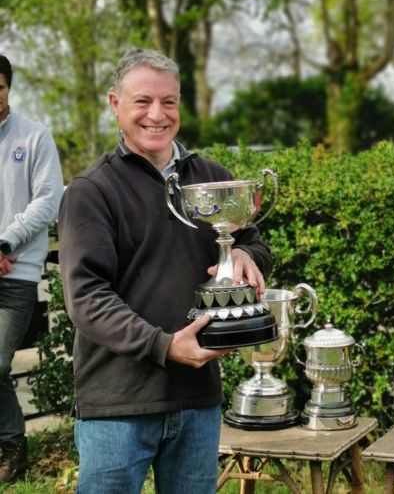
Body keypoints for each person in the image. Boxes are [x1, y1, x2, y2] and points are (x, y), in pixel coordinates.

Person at [58, 48, 272, 494]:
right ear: (115, 104)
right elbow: (86, 298)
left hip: (196, 398)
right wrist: (164, 345)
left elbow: (251, 240)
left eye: (169, 102)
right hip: (117, 405)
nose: (157, 115)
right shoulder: (92, 192)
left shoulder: (211, 179)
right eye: (142, 102)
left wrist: (250, 256)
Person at [0, 54, 64, 483]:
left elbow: (48, 199)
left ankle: (11, 445)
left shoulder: (34, 136)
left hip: (15, 273)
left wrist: (6, 242)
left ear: (8, 87)